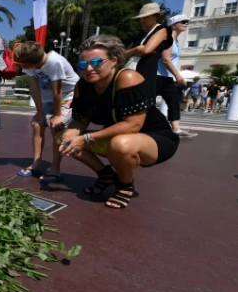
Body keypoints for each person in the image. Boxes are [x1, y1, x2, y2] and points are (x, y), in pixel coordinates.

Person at [58, 35, 179, 209]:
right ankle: (105, 175)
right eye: (83, 65)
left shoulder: (127, 77)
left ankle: (125, 185)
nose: (89, 68)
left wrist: (84, 138)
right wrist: (69, 135)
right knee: (63, 137)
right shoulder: (82, 86)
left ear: (114, 60)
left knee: (120, 144)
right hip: (119, 137)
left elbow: (132, 126)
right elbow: (80, 121)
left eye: (97, 62)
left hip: (154, 139)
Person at [14, 41, 79, 182]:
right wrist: (40, 113)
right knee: (37, 124)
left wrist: (57, 116)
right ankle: (37, 163)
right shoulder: (31, 65)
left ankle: (55, 168)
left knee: (56, 127)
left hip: (71, 94)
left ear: (30, 63)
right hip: (48, 98)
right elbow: (34, 89)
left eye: (23, 66)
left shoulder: (54, 62)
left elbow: (58, 91)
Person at [157, 14, 196, 137]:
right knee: (147, 103)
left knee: (173, 102)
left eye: (187, 22)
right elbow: (166, 59)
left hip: (167, 77)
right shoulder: (168, 40)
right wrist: (178, 75)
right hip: (157, 76)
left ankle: (176, 129)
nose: (186, 24)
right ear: (173, 25)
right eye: (183, 22)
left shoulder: (176, 41)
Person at [125, 2, 172, 97]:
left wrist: (134, 51)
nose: (142, 20)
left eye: (145, 17)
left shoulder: (161, 29)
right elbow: (123, 55)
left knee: (145, 105)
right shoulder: (139, 35)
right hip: (131, 72)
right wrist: (137, 50)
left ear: (155, 16)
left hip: (146, 74)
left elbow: (147, 50)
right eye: (141, 18)